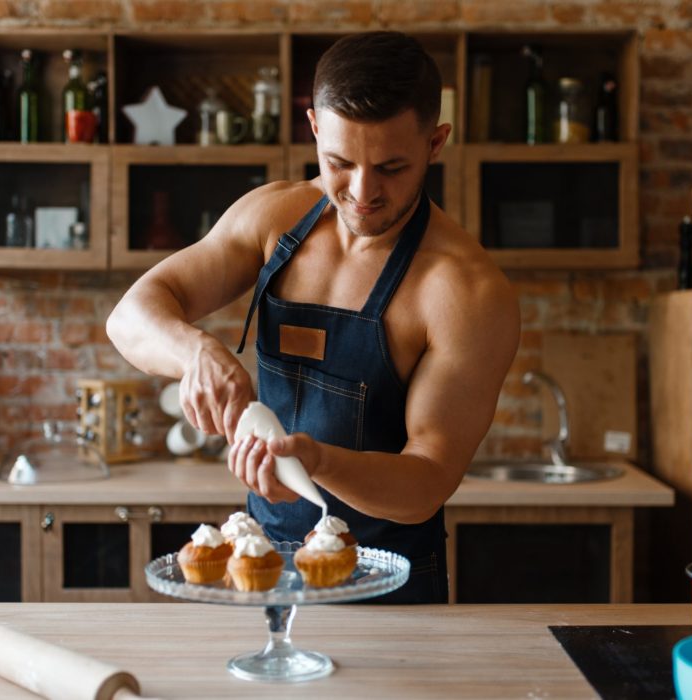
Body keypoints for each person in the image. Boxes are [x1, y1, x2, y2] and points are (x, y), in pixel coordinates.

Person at [107, 31, 519, 603]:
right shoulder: (274, 218)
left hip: (389, 587)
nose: (362, 192)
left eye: (392, 167)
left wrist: (318, 460)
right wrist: (195, 352)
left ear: (436, 143)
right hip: (262, 567)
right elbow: (130, 316)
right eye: (339, 163)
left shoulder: (466, 292)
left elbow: (426, 479)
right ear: (315, 128)